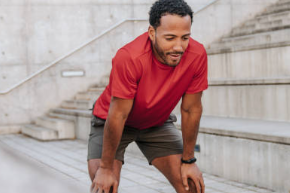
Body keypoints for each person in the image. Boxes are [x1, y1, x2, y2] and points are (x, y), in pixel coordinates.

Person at [87, 0, 208, 192]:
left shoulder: (197, 54)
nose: (179, 47)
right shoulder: (129, 57)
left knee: (192, 186)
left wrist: (189, 159)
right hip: (112, 122)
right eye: (170, 38)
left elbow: (191, 109)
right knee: (105, 188)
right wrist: (105, 167)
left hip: (156, 123)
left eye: (185, 38)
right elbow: (118, 115)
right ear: (152, 33)